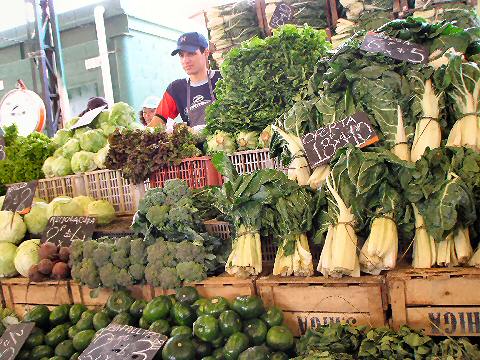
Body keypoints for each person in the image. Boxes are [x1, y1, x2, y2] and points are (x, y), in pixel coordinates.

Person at [148, 32, 221, 131]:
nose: (185, 60)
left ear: (206, 53)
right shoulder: (176, 89)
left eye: (191, 54)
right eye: (181, 55)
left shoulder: (223, 79)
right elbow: (157, 122)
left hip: (225, 144)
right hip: (194, 146)